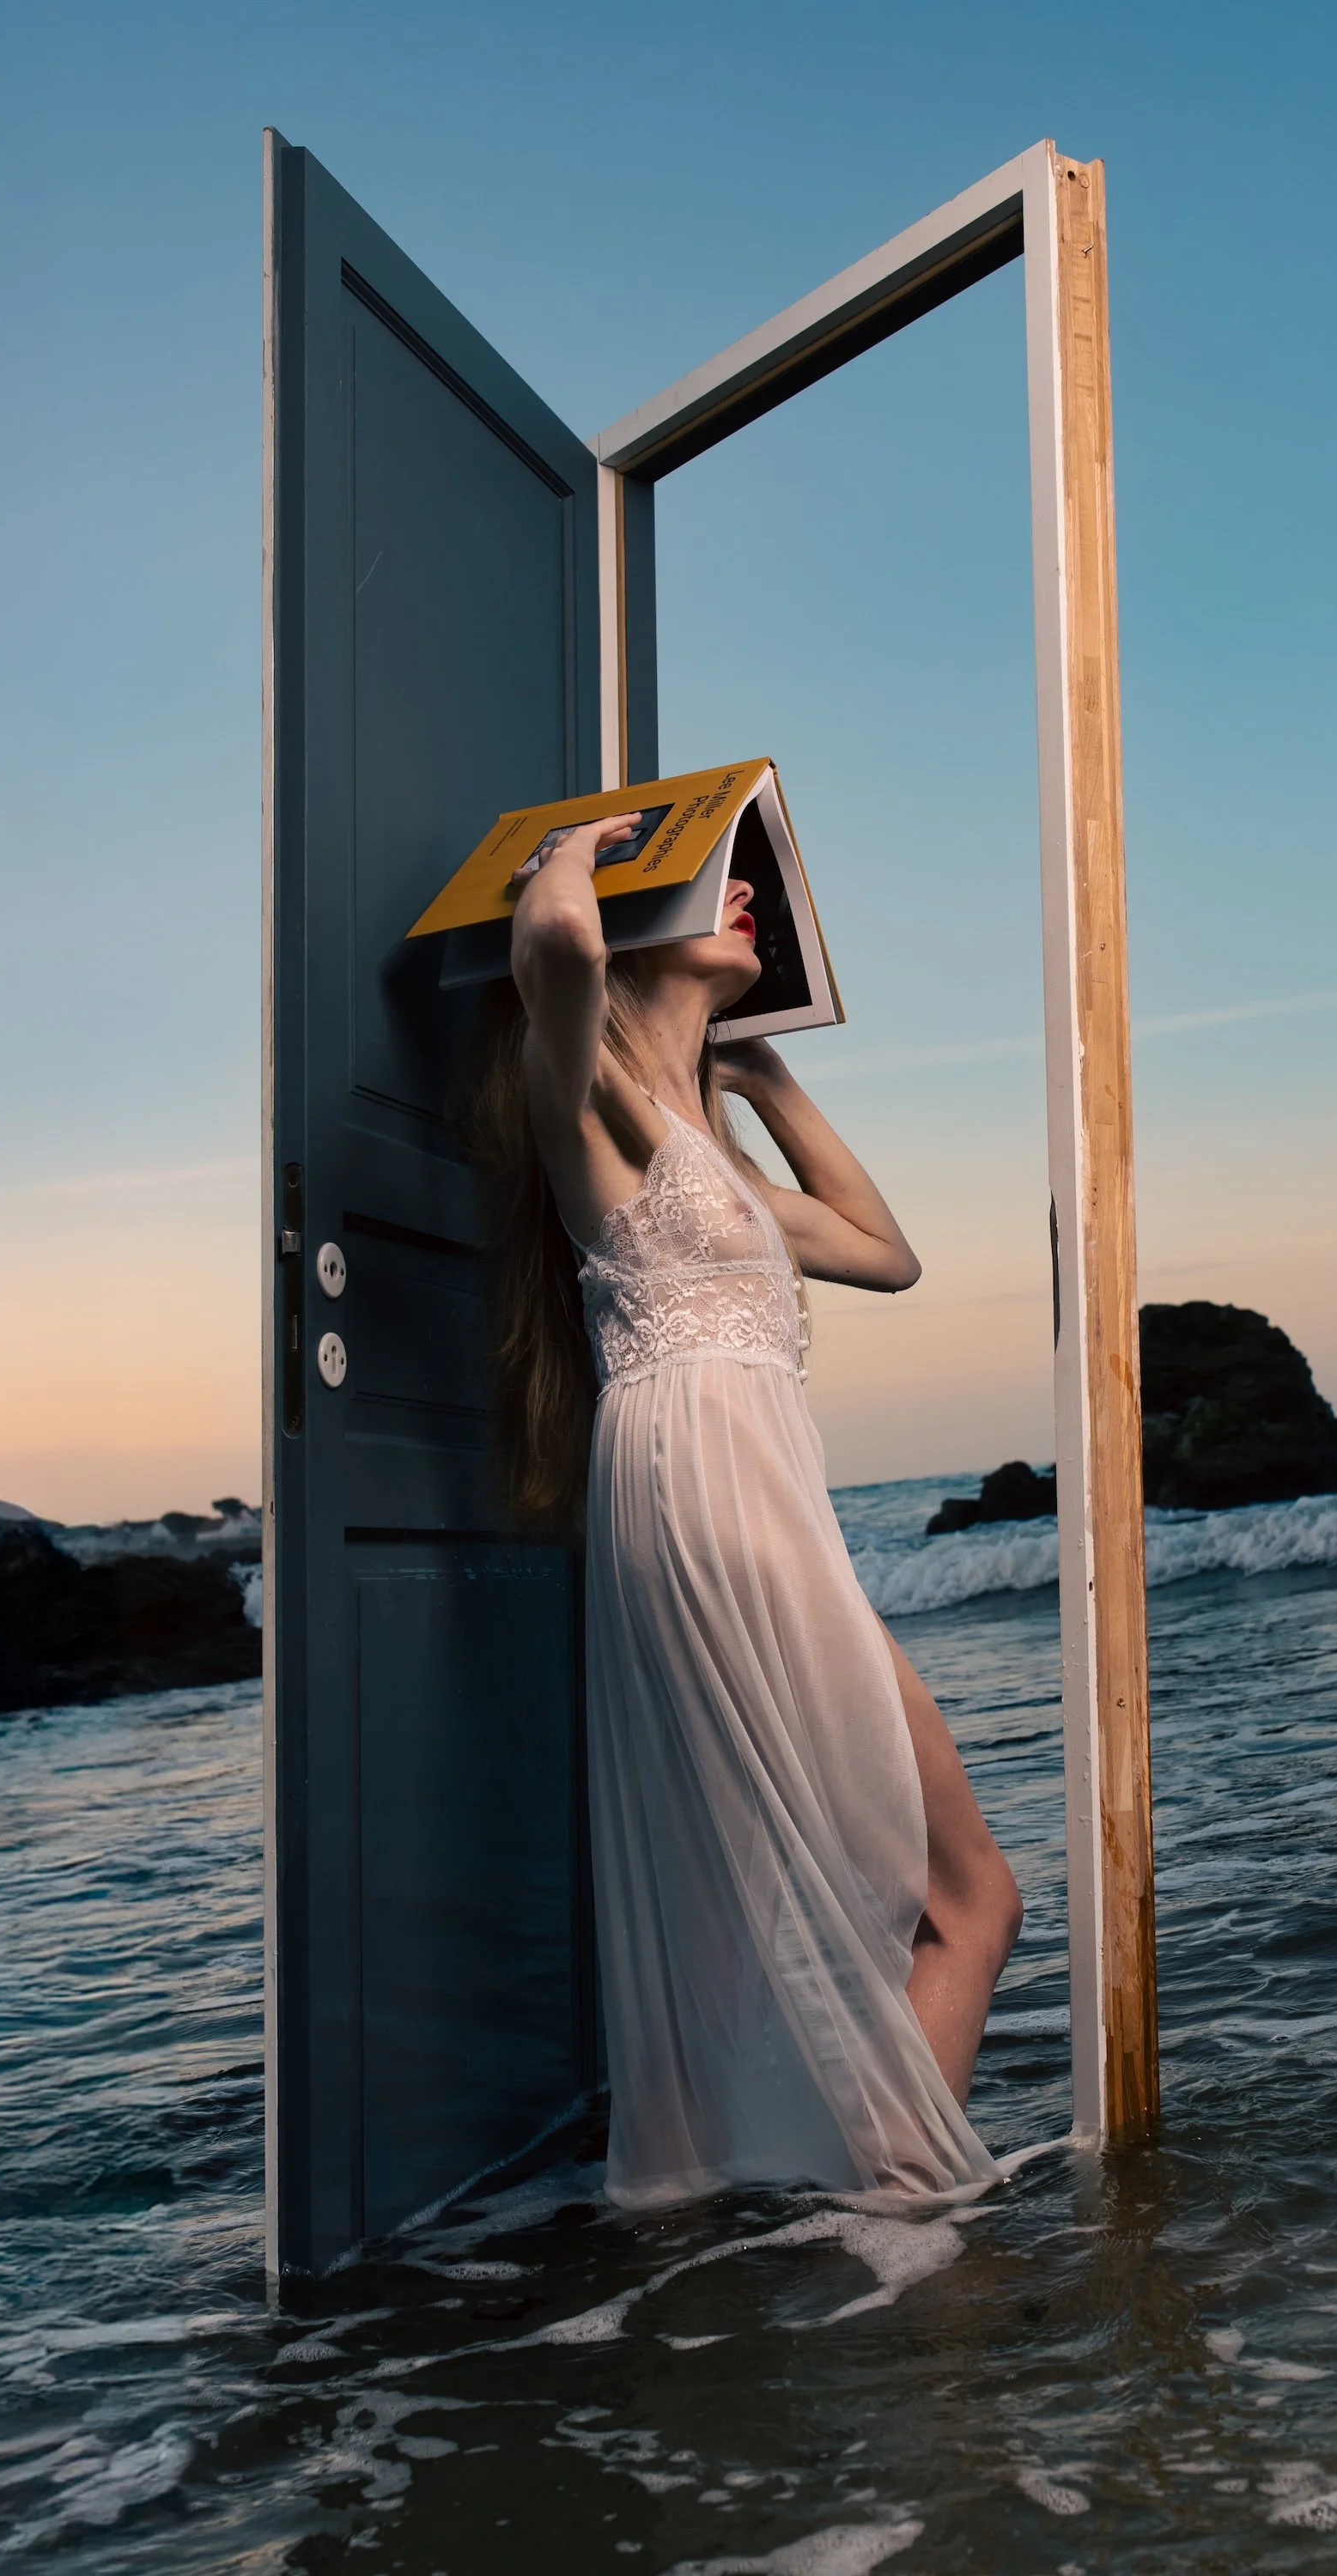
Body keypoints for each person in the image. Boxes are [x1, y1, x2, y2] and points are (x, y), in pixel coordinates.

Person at [467, 811, 1022, 2208]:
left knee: (835, 1903)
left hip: (735, 1502)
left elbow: (891, 1256)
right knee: (970, 1895)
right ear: (645, 924)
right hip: (717, 1503)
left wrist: (765, 1071)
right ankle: (903, 2217)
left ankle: (831, 2214)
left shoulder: (712, 1165)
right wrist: (581, 848)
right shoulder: (587, 1103)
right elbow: (554, 946)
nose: (752, 903)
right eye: (721, 883)